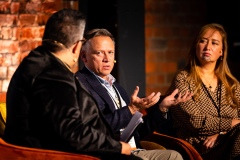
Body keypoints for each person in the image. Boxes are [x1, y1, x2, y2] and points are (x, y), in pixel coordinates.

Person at [3, 9, 145, 160]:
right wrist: (117, 147)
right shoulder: (52, 74)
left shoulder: (36, 62)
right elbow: (70, 131)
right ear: (77, 46)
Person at [76, 28, 193, 160]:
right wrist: (131, 109)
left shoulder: (115, 85)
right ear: (84, 56)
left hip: (135, 149)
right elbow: (95, 128)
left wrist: (162, 108)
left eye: (110, 52)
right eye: (99, 53)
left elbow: (138, 131)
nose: (107, 59)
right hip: (110, 153)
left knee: (175, 155)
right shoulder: (80, 84)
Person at [167, 23, 240, 160]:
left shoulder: (232, 85)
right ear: (196, 46)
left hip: (229, 141)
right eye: (203, 41)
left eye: (214, 43)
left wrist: (221, 133)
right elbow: (195, 121)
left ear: (222, 51)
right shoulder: (183, 79)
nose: (207, 47)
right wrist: (232, 123)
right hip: (200, 147)